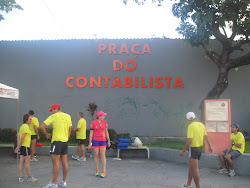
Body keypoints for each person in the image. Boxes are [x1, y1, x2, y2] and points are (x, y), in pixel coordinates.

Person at [40, 104, 72, 188]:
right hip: (65, 142)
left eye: (52, 110)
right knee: (64, 162)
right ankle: (63, 182)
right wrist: (66, 138)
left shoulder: (54, 116)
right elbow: (69, 130)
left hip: (56, 141)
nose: (51, 112)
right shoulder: (68, 116)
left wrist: (46, 134)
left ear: (56, 109)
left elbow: (42, 126)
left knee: (55, 163)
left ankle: (53, 183)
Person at [179, 112, 212, 188]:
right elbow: (206, 136)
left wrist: (183, 150)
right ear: (195, 117)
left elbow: (190, 140)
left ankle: (198, 187)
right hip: (199, 148)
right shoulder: (201, 124)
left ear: (187, 119)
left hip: (193, 148)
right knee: (191, 167)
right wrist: (210, 146)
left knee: (195, 170)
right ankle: (188, 184)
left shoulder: (191, 126)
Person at [14, 114, 38, 183]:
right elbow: (22, 137)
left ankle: (21, 177)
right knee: (27, 162)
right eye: (30, 119)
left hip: (22, 146)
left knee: (21, 162)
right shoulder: (25, 127)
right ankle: (29, 177)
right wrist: (18, 146)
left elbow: (18, 135)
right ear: (26, 120)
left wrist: (18, 146)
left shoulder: (22, 126)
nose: (31, 120)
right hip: (25, 147)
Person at [87, 111, 111, 178]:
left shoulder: (105, 122)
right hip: (95, 141)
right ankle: (97, 170)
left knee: (103, 155)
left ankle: (104, 171)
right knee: (96, 155)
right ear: (99, 116)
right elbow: (91, 133)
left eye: (104, 116)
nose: (104, 117)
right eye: (103, 116)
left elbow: (106, 131)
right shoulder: (93, 123)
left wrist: (108, 140)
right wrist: (90, 143)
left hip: (103, 140)